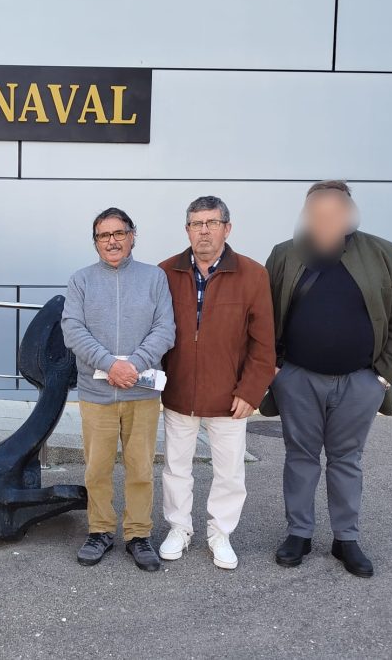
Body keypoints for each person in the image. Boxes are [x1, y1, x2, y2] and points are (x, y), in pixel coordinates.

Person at [262, 180, 392, 578]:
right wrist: (276, 370)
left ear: (350, 213)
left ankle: (346, 538)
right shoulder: (284, 255)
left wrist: (383, 376)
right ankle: (299, 533)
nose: (324, 220)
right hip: (298, 379)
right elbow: (262, 315)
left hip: (360, 381)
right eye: (317, 212)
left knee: (347, 460)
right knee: (300, 457)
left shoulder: (383, 253)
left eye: (334, 212)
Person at [157, 196, 275, 569]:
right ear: (187, 230)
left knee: (229, 471)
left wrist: (251, 391)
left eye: (211, 222)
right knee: (176, 468)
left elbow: (264, 344)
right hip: (178, 392)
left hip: (231, 398)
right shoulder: (164, 273)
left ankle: (220, 533)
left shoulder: (254, 275)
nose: (203, 230)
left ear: (228, 227)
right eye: (196, 223)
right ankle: (179, 528)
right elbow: (156, 333)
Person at [62, 208, 175, 572]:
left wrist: (134, 365)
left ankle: (139, 535)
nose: (111, 241)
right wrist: (110, 364)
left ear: (132, 235)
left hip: (141, 394)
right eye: (103, 235)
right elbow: (73, 330)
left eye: (118, 233)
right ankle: (100, 530)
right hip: (97, 396)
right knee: (96, 469)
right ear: (95, 241)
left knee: (140, 468)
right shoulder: (80, 281)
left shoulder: (154, 278)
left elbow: (165, 328)